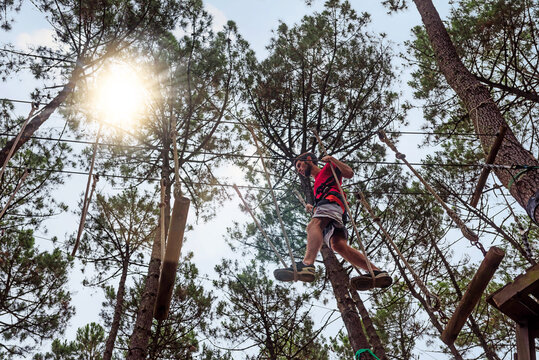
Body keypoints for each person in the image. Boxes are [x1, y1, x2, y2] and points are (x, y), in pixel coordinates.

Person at [273, 152, 392, 291]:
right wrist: (314, 208)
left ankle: (307, 264)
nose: (299, 169)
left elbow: (348, 173)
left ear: (309, 159)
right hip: (334, 208)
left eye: (299, 164)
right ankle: (376, 272)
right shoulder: (317, 182)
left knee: (314, 225)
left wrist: (332, 160)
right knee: (338, 245)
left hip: (332, 202)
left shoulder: (327, 168)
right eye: (297, 168)